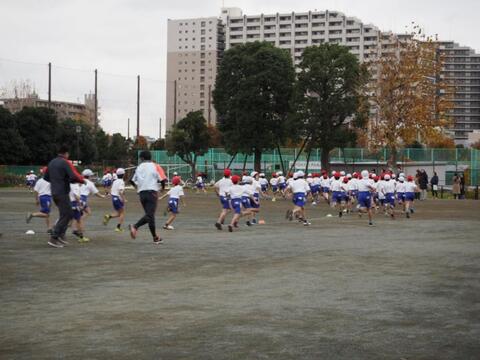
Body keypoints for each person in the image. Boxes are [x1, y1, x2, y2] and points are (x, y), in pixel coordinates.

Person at [43, 145, 85, 248]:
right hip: (62, 192)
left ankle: (60, 235)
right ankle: (54, 237)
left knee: (66, 214)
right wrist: (82, 180)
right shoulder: (65, 162)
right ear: (66, 153)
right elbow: (73, 175)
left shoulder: (51, 162)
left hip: (54, 192)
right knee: (67, 214)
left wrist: (58, 181)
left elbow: (46, 177)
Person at [129, 151, 162, 244]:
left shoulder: (138, 167)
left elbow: (131, 180)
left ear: (142, 158)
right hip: (151, 192)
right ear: (150, 157)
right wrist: (163, 188)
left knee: (150, 215)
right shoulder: (154, 166)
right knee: (150, 215)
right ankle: (135, 226)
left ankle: (155, 237)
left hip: (142, 194)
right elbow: (162, 179)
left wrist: (137, 188)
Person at [26, 167, 52, 234]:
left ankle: (49, 229)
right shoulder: (50, 180)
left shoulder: (40, 181)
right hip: (46, 197)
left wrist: (37, 200)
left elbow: (36, 191)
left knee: (47, 214)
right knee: (46, 214)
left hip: (43, 197)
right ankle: (32, 215)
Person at [103, 168, 126, 232]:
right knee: (122, 213)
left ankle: (109, 216)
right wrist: (123, 199)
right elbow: (121, 191)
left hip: (114, 198)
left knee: (119, 213)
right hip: (118, 198)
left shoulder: (115, 181)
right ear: (123, 175)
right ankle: (118, 228)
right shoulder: (121, 182)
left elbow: (111, 190)